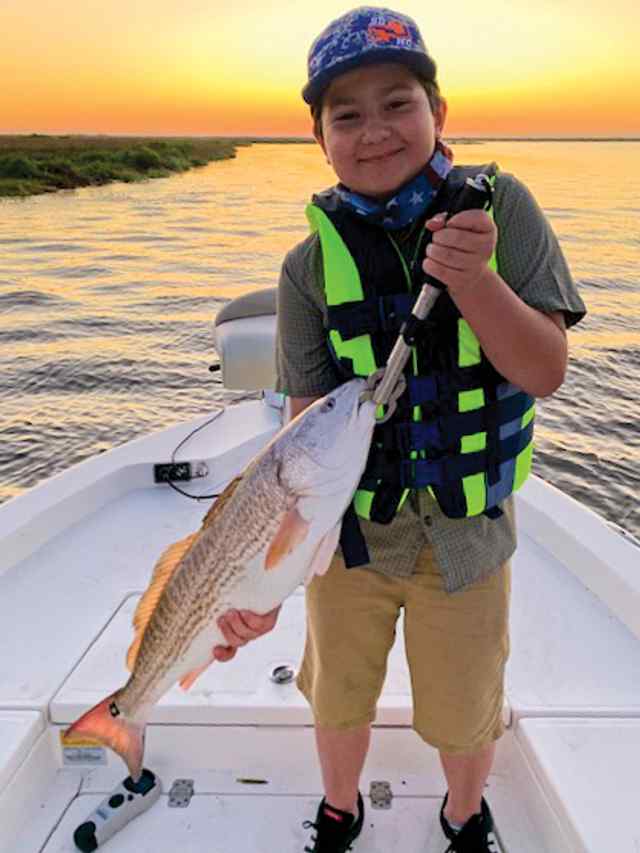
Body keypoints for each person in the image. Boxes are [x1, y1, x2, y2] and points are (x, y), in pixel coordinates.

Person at [213, 6, 587, 852]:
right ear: (319, 136)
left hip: (466, 530)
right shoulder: (307, 266)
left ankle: (463, 814)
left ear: (438, 114)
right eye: (346, 115)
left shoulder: (505, 208)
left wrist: (476, 281)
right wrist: (257, 586)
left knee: (462, 703)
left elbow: (547, 371)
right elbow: (302, 444)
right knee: (337, 690)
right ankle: (340, 809)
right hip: (350, 534)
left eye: (397, 104)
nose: (374, 131)